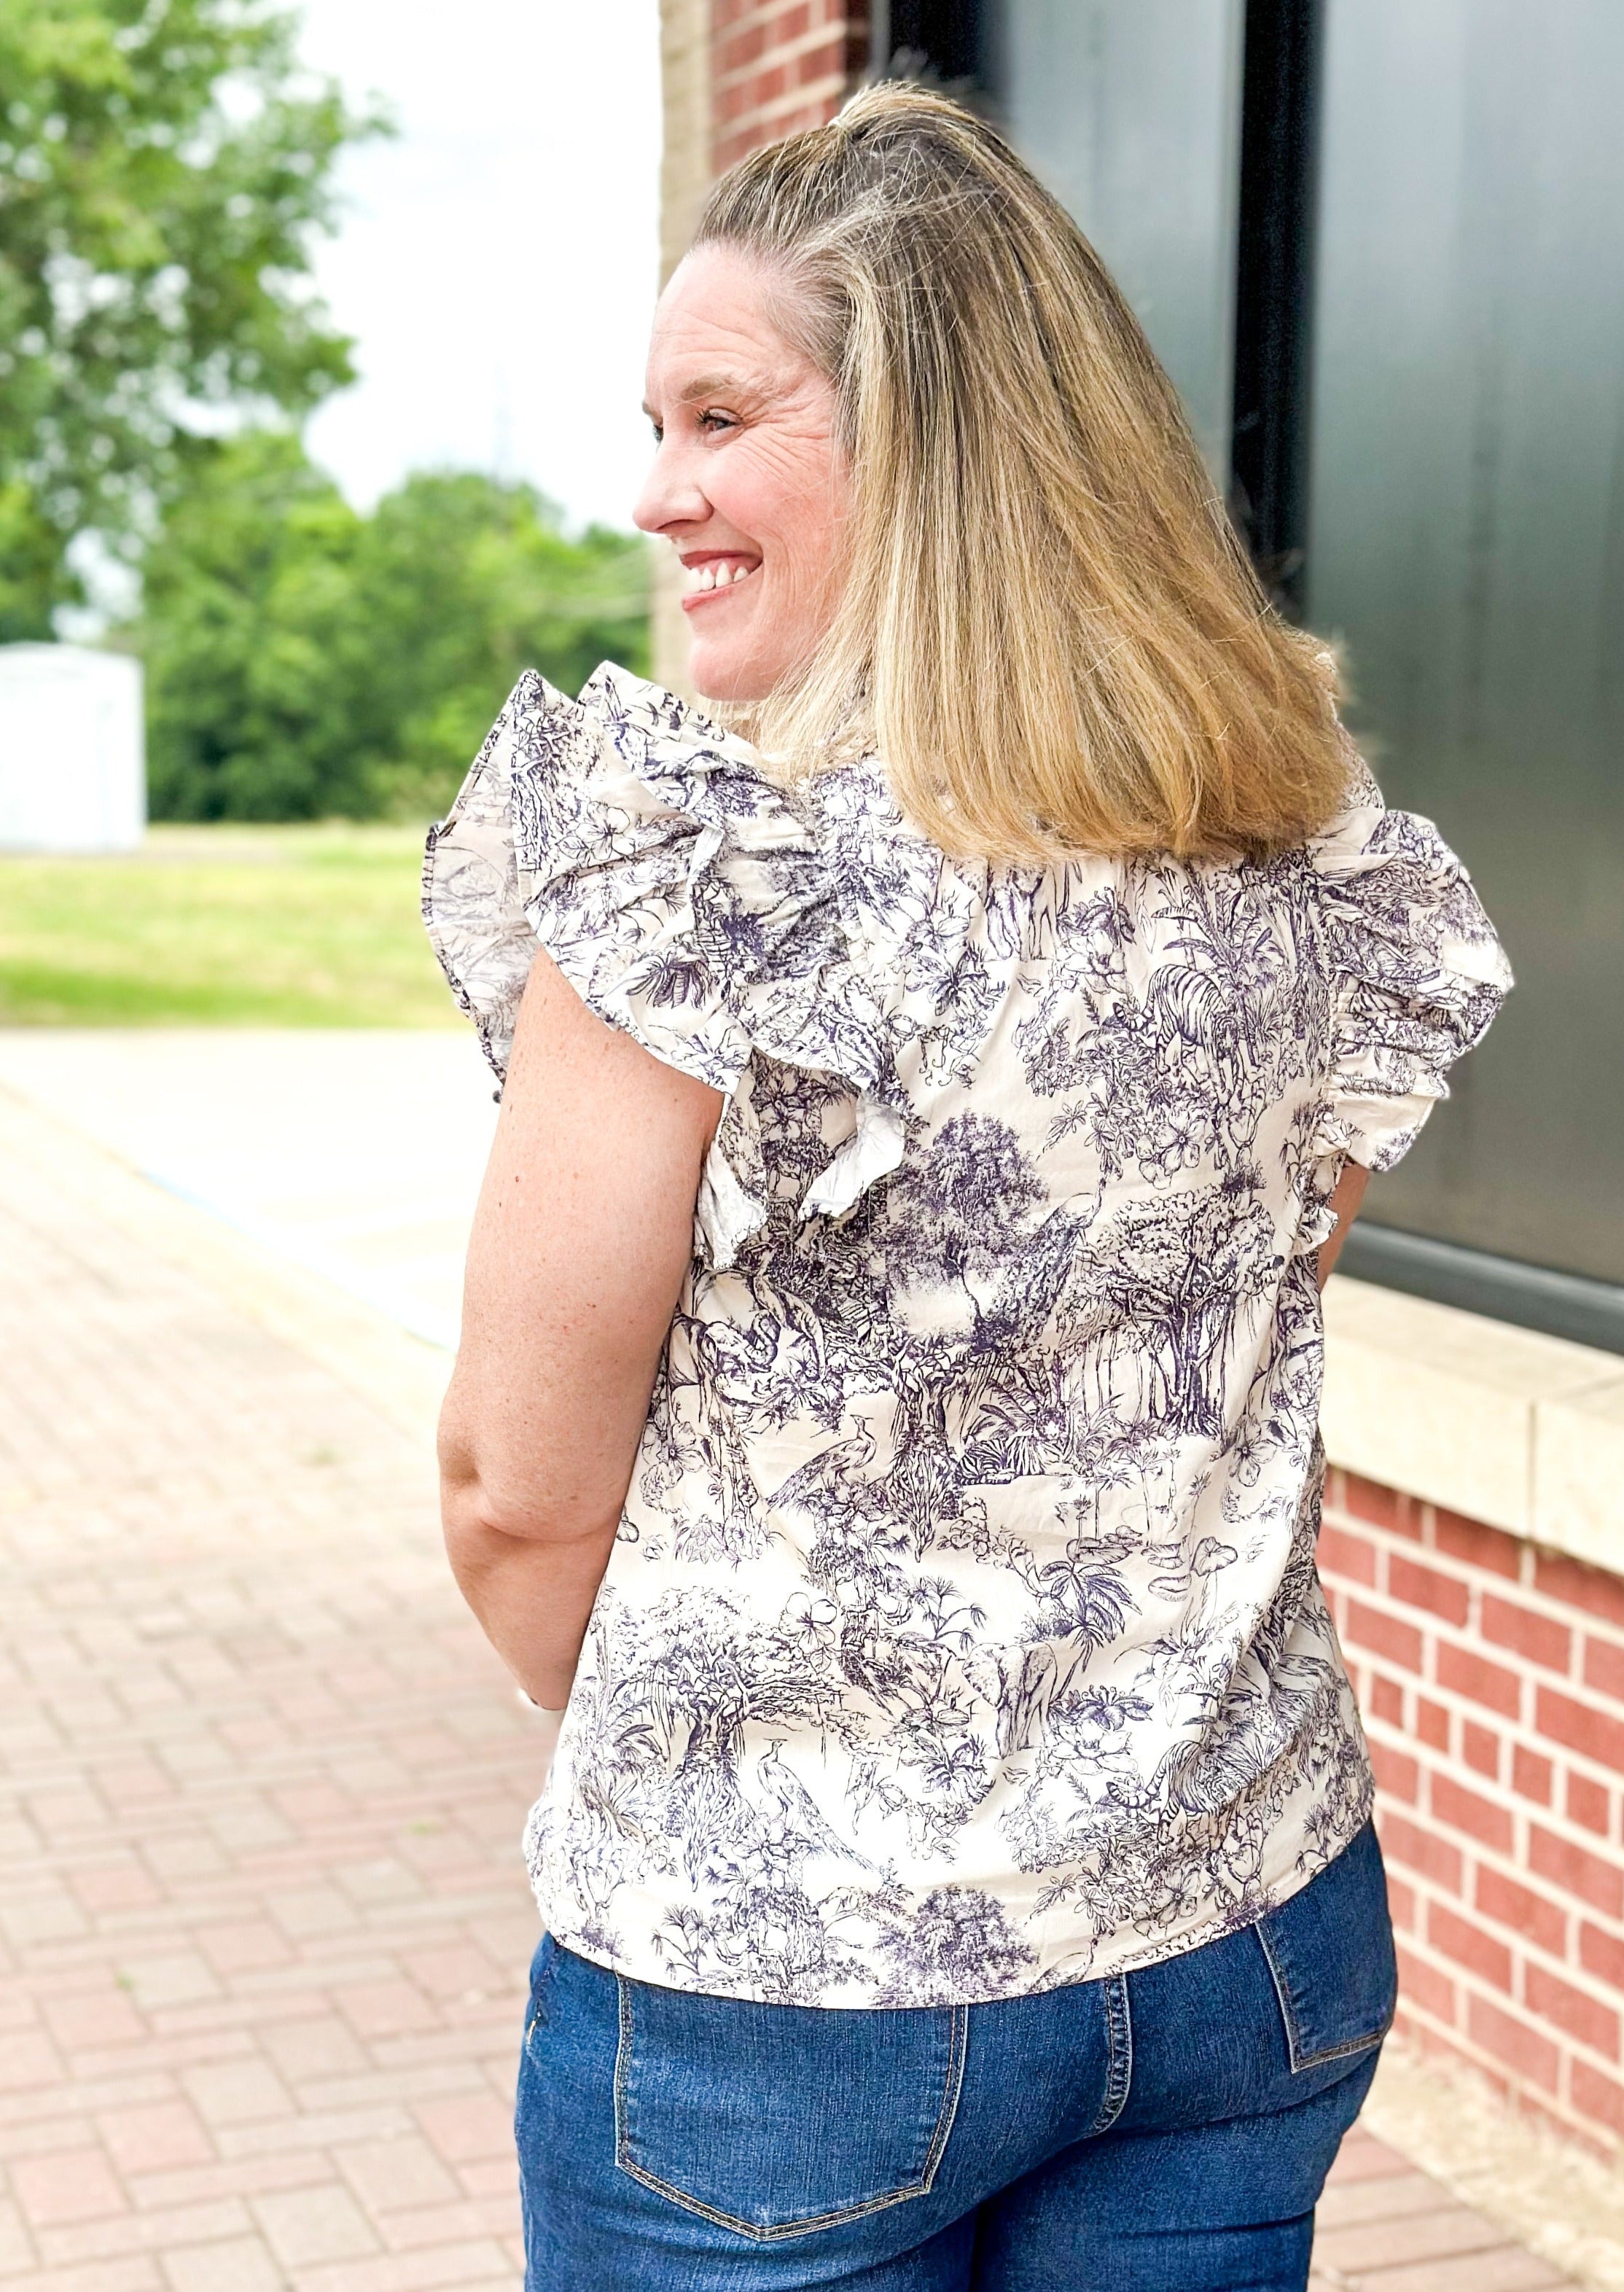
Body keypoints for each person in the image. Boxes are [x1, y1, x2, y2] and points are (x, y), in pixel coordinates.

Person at [423, 82, 1510, 2292]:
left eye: (721, 416)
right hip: (1240, 1936)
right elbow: (1231, 1341)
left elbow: (510, 1495)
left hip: (785, 2007)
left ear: (921, 440)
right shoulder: (1306, 867)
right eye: (657, 423)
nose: (659, 491)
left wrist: (765, 1783)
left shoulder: (693, 878)